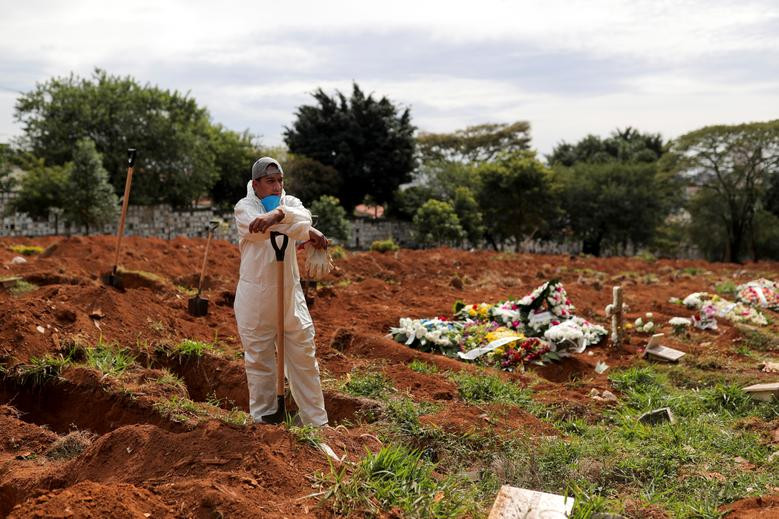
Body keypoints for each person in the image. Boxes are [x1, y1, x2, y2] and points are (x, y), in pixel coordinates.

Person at [233, 157, 329, 426]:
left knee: (303, 357)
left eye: (280, 180)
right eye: (270, 181)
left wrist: (277, 214)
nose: (277, 186)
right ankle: (265, 421)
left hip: (289, 295)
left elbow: (303, 217)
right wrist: (302, 229)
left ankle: (315, 423)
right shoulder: (244, 208)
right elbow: (258, 229)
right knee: (260, 362)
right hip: (256, 298)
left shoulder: (292, 203)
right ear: (256, 184)